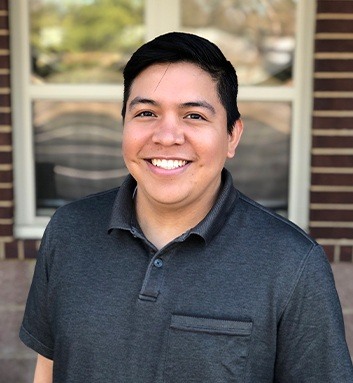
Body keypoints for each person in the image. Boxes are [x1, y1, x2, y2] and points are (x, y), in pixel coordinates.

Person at [20, 32, 353, 383]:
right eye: (146, 112)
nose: (166, 136)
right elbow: (49, 368)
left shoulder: (292, 262)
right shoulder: (68, 230)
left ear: (232, 135)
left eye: (194, 116)